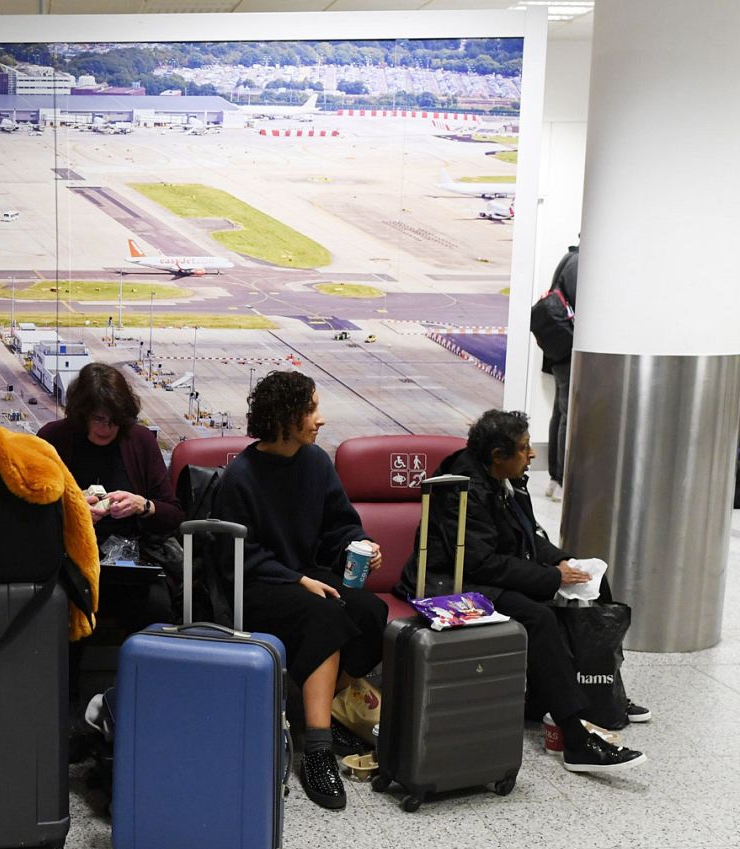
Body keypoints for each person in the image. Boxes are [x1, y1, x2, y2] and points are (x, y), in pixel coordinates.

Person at [397, 410, 648, 774]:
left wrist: (563, 561)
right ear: (498, 454)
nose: (532, 454)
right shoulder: (463, 491)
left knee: (593, 584)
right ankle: (576, 739)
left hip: (485, 572)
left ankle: (602, 695)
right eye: (524, 448)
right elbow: (480, 563)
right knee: (539, 615)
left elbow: (526, 535)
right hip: (451, 582)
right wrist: (551, 577)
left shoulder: (504, 477)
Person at [212, 371, 386, 811]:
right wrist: (295, 580)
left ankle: (313, 713)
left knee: (370, 612)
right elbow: (236, 556)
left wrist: (360, 546)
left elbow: (340, 525)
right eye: (311, 410)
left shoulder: (316, 463)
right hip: (258, 584)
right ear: (285, 418)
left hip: (306, 577)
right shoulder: (240, 477)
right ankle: (318, 750)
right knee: (323, 614)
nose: (320, 419)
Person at [38, 363, 184, 707]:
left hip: (129, 562)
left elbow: (173, 513)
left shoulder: (139, 441)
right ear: (81, 414)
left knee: (158, 607)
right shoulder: (53, 439)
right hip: (71, 561)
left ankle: (144, 704)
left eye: (116, 421)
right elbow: (32, 512)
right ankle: (64, 710)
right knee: (65, 608)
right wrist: (73, 512)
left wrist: (142, 505)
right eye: (100, 420)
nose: (108, 429)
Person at [540, 243, 578, 500]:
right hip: (567, 346)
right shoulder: (579, 262)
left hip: (557, 346)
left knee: (560, 411)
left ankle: (555, 478)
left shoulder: (570, 258)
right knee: (566, 413)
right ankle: (561, 479)